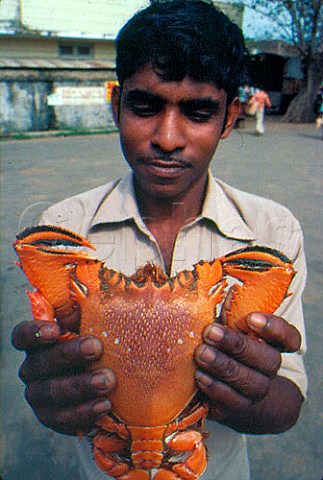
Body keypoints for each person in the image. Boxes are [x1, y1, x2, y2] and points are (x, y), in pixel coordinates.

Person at [11, 1, 307, 479]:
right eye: (146, 106)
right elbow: (58, 380)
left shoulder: (271, 234)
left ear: (230, 119)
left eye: (198, 111)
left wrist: (240, 385)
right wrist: (53, 395)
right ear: (116, 104)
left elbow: (286, 403)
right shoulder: (63, 231)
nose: (167, 137)